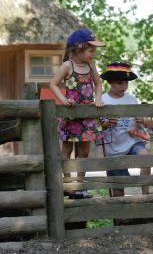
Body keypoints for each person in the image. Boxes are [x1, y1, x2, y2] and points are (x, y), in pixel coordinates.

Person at [50, 28, 105, 199]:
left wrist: (98, 99)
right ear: (79, 49)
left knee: (85, 151)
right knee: (66, 150)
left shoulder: (91, 66)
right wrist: (63, 100)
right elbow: (53, 84)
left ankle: (80, 186)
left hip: (87, 116)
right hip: (71, 115)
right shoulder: (67, 66)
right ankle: (68, 185)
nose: (93, 54)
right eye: (91, 50)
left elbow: (98, 84)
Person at [100, 61, 151, 197]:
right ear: (110, 81)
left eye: (126, 83)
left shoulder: (132, 99)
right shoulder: (102, 100)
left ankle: (146, 196)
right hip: (113, 147)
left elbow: (138, 122)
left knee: (145, 157)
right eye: (119, 83)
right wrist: (105, 125)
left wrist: (141, 120)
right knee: (118, 186)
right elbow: (95, 125)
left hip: (132, 141)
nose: (123, 86)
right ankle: (120, 215)